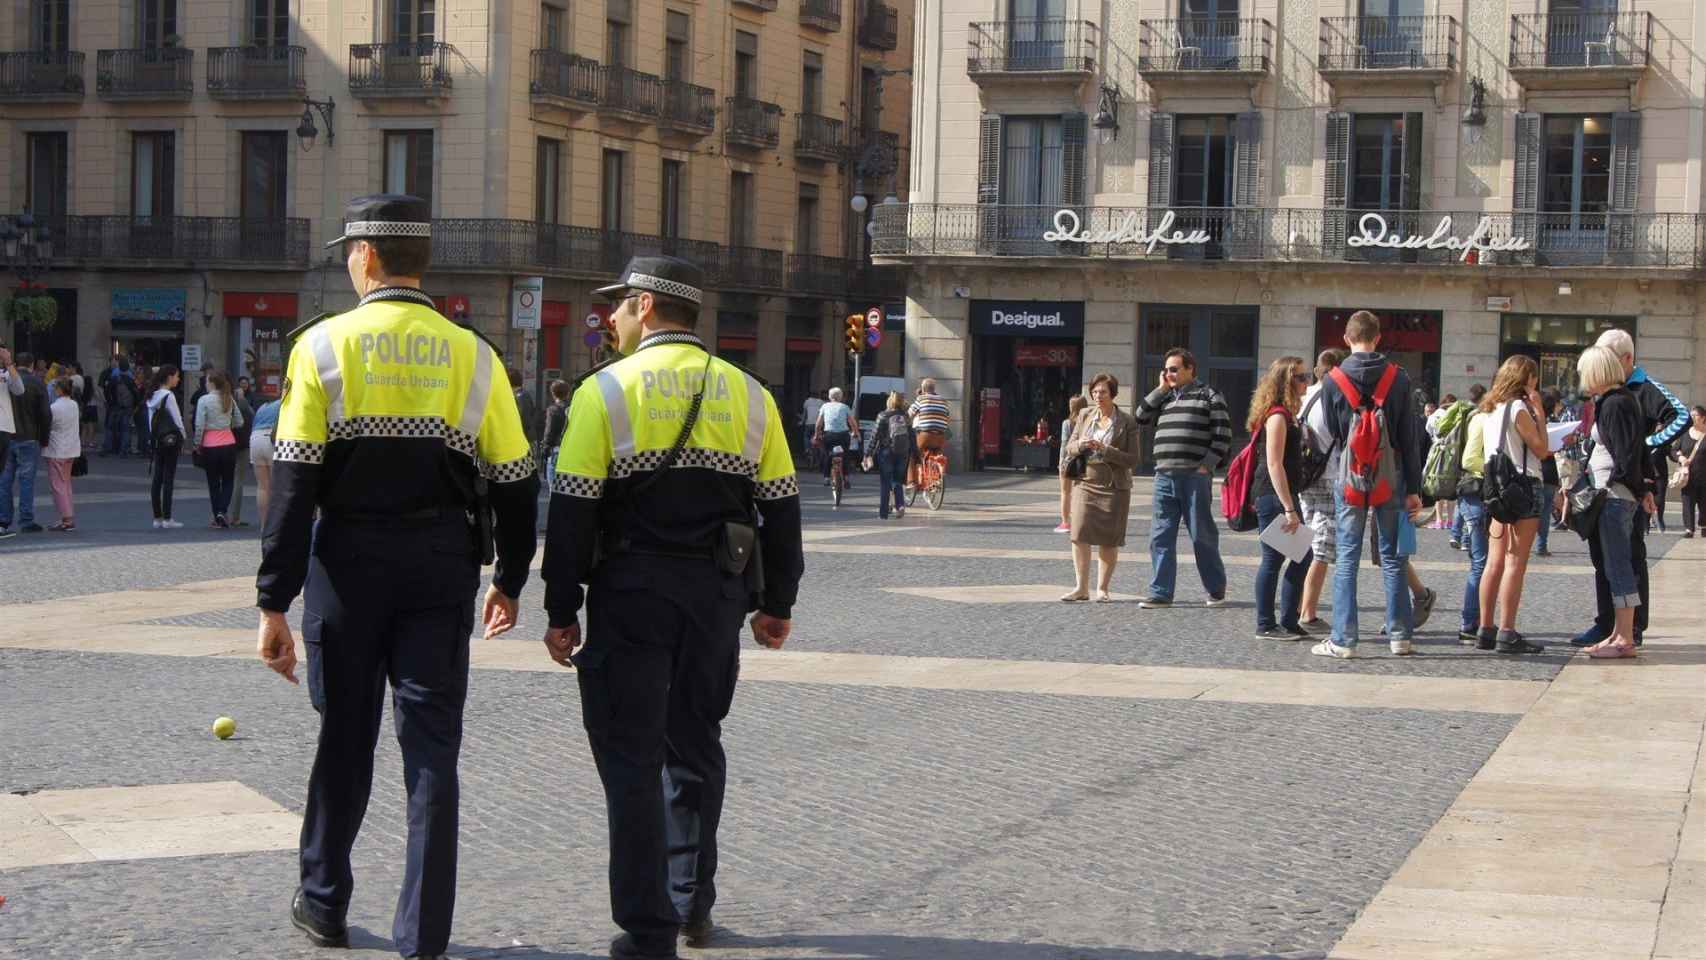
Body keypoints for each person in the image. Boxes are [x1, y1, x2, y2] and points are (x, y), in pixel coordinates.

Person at [254, 195, 539, 960]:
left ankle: (323, 902)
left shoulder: (319, 348)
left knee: (344, 739)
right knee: (432, 754)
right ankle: (425, 937)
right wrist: (509, 578)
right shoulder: (473, 353)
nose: (350, 261)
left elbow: (293, 486)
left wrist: (272, 602)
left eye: (351, 250)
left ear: (369, 257)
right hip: (440, 567)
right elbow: (515, 481)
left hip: (346, 566)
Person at [540, 255, 803, 960]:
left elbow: (570, 514)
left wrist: (561, 610)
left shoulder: (603, 392)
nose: (613, 317)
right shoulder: (751, 395)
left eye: (621, 305)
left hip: (631, 592)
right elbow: (782, 510)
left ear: (650, 307)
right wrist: (776, 602)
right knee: (695, 743)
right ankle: (691, 902)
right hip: (716, 596)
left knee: (629, 755)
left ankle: (644, 921)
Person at [1312, 311, 1425, 659]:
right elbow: (1410, 438)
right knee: (1393, 556)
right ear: (1378, 339)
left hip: (1349, 479)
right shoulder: (1399, 378)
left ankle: (1344, 640)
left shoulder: (1333, 380)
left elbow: (1333, 431)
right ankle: (1400, 636)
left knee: (1347, 558)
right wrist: (1414, 488)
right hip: (1392, 478)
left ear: (1347, 339)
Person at [1571, 328, 1688, 648]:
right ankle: (1609, 623)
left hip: (1620, 490)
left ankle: (1629, 629)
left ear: (1623, 359)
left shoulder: (1637, 390)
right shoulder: (1611, 398)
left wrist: (1649, 446)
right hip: (1616, 487)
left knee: (1627, 560)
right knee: (1607, 560)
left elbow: (1680, 417)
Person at [1132, 348, 1231, 609]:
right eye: (1166, 370)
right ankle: (1160, 593)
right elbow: (1140, 416)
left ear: (1190, 369)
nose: (1169, 374)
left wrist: (1206, 466)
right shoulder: (1164, 398)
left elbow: (1223, 435)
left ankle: (1215, 589)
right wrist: (1161, 389)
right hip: (1164, 475)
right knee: (1160, 535)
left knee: (1202, 535)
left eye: (1174, 369)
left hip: (1194, 477)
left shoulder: (1209, 395)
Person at [1469, 355, 1549, 655]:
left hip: (1496, 487)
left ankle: (1485, 629)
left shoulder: (1490, 408)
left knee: (1494, 561)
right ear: (1524, 379)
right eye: (1534, 377)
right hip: (1523, 486)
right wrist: (1539, 413)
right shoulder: (1518, 408)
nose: (1536, 383)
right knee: (1515, 562)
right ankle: (1507, 631)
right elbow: (1541, 450)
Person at [1576, 346, 1651, 660]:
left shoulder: (1615, 403)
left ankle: (1623, 637)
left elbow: (1626, 454)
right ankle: (1619, 634)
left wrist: (1615, 485)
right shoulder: (1619, 400)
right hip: (1619, 493)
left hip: (1614, 495)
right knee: (1616, 566)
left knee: (1618, 567)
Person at [1059, 373, 1139, 603]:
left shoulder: (1127, 422)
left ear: (1113, 394)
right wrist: (1081, 445)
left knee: (1109, 539)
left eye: (1102, 392)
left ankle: (1102, 588)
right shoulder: (1084, 415)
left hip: (1114, 486)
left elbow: (1133, 460)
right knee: (1079, 534)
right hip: (1085, 481)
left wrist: (1106, 450)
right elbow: (1070, 447)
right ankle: (1081, 587)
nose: (1097, 396)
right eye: (1094, 392)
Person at [1249, 357, 1314, 640]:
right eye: (1301, 377)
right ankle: (1266, 624)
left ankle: (1287, 621)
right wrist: (1289, 508)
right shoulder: (1277, 416)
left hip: (1280, 495)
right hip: (1273, 496)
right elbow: (1274, 464)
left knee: (1301, 556)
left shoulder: (1287, 414)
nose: (1306, 382)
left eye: (1306, 376)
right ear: (1286, 382)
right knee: (1275, 559)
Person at [1296, 348, 1347, 633]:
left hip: (1305, 478)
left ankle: (1294, 604)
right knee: (1322, 549)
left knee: (1302, 542)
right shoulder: (1336, 397)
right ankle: (1308, 612)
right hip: (1329, 477)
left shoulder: (1304, 398)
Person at [1455, 398, 1493, 647]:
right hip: (1477, 495)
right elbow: (1469, 460)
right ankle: (1469, 623)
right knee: (1481, 563)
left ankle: (1475, 620)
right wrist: (1499, 468)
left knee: (1481, 562)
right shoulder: (1482, 419)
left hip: (1476, 497)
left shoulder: (1479, 417)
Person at [0, 351, 50, 537]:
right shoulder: (37, 383)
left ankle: (3, 519)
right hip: (29, 436)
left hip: (7, 434)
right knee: (26, 480)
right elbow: (45, 413)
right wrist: (44, 438)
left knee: (5, 480)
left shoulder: (4, 378)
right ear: (32, 364)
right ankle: (26, 520)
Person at [194, 371, 245, 529]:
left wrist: (197, 443)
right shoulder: (229, 399)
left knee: (213, 483)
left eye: (206, 380)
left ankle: (217, 516)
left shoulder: (204, 400)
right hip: (229, 444)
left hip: (210, 446)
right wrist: (226, 426)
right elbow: (239, 421)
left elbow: (199, 425)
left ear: (211, 383)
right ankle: (223, 510)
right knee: (228, 480)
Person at [145, 365, 186, 530]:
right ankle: (168, 518)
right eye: (176, 376)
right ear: (169, 377)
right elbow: (177, 420)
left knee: (157, 478)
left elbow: (150, 422)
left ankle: (157, 517)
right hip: (170, 440)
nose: (178, 379)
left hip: (157, 440)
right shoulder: (169, 396)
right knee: (169, 478)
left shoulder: (151, 396)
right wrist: (183, 437)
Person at [1449, 384, 1487, 547]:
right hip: (1475, 469)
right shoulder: (1479, 416)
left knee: (1463, 502)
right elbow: (1471, 458)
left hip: (1461, 467)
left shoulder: (1465, 413)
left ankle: (1457, 535)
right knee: (1472, 504)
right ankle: (1465, 539)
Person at [42, 378, 81, 532]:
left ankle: (66, 518)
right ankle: (67, 516)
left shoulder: (54, 407)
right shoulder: (74, 404)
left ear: (58, 390)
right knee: (66, 484)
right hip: (71, 449)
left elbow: (49, 426)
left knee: (58, 485)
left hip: (57, 449)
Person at [868, 391, 911, 519]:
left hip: (886, 452)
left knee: (885, 482)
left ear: (889, 401)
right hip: (902, 452)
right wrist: (915, 453)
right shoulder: (905, 416)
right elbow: (912, 436)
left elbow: (874, 436)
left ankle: (883, 513)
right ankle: (900, 505)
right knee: (897, 480)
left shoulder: (883, 415)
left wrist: (868, 453)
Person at [906, 378, 951, 488]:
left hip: (925, 435)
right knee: (937, 454)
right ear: (934, 389)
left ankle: (911, 482)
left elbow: (909, 414)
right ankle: (936, 479)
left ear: (923, 388)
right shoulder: (943, 401)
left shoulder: (921, 399)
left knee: (912, 454)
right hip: (940, 436)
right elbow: (948, 417)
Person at [1534, 388, 1563, 556]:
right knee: (1544, 512)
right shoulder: (1550, 422)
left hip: (1537, 470)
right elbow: (1547, 450)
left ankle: (1528, 545)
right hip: (1548, 470)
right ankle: (1541, 546)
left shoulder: (1533, 421)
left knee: (1533, 511)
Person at [1055, 394, 1088, 533]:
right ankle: (1080, 520)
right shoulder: (1088, 422)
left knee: (1065, 493)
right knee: (1081, 493)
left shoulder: (1067, 423)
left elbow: (1064, 445)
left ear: (1073, 407)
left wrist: (1061, 463)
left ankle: (1065, 522)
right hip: (1084, 462)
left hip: (1068, 461)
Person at [227, 376, 256, 527]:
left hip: (227, 443)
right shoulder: (244, 403)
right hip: (243, 444)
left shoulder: (226, 402)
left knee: (225, 480)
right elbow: (252, 417)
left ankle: (219, 514)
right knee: (238, 481)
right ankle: (235, 516)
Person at [1675, 405, 1706, 538]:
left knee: (1704, 504)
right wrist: (1679, 457)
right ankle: (1689, 529)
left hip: (1704, 477)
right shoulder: (1684, 434)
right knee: (1687, 502)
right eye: (1691, 415)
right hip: (1687, 476)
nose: (1692, 418)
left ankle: (1704, 525)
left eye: (1695, 415)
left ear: (1703, 418)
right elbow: (1673, 450)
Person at [249, 395, 281, 523]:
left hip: (256, 439)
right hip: (272, 440)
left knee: (262, 487)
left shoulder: (263, 407)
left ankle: (264, 526)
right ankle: (275, 526)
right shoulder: (285, 404)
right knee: (277, 486)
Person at [815, 387, 856, 486]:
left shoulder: (825, 406)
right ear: (841, 397)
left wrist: (817, 434)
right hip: (843, 435)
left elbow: (818, 424)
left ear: (829, 397)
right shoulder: (845, 407)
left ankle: (826, 478)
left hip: (829, 435)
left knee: (828, 455)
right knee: (845, 455)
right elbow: (852, 423)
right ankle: (846, 478)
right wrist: (855, 432)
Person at [509, 365, 541, 460]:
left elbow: (524, 419)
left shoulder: (520, 396)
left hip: (525, 439)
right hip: (525, 439)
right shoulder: (521, 394)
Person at [542, 378, 570, 474]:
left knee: (553, 484)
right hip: (571, 448)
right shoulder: (574, 407)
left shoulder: (553, 410)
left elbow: (549, 432)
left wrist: (545, 448)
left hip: (556, 449)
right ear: (568, 393)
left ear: (553, 393)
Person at [801, 389, 824, 455]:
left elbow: (805, 414)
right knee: (819, 437)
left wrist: (802, 422)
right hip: (818, 424)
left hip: (809, 424)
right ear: (818, 395)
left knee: (806, 436)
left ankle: (807, 449)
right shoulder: (821, 402)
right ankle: (819, 451)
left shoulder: (807, 402)